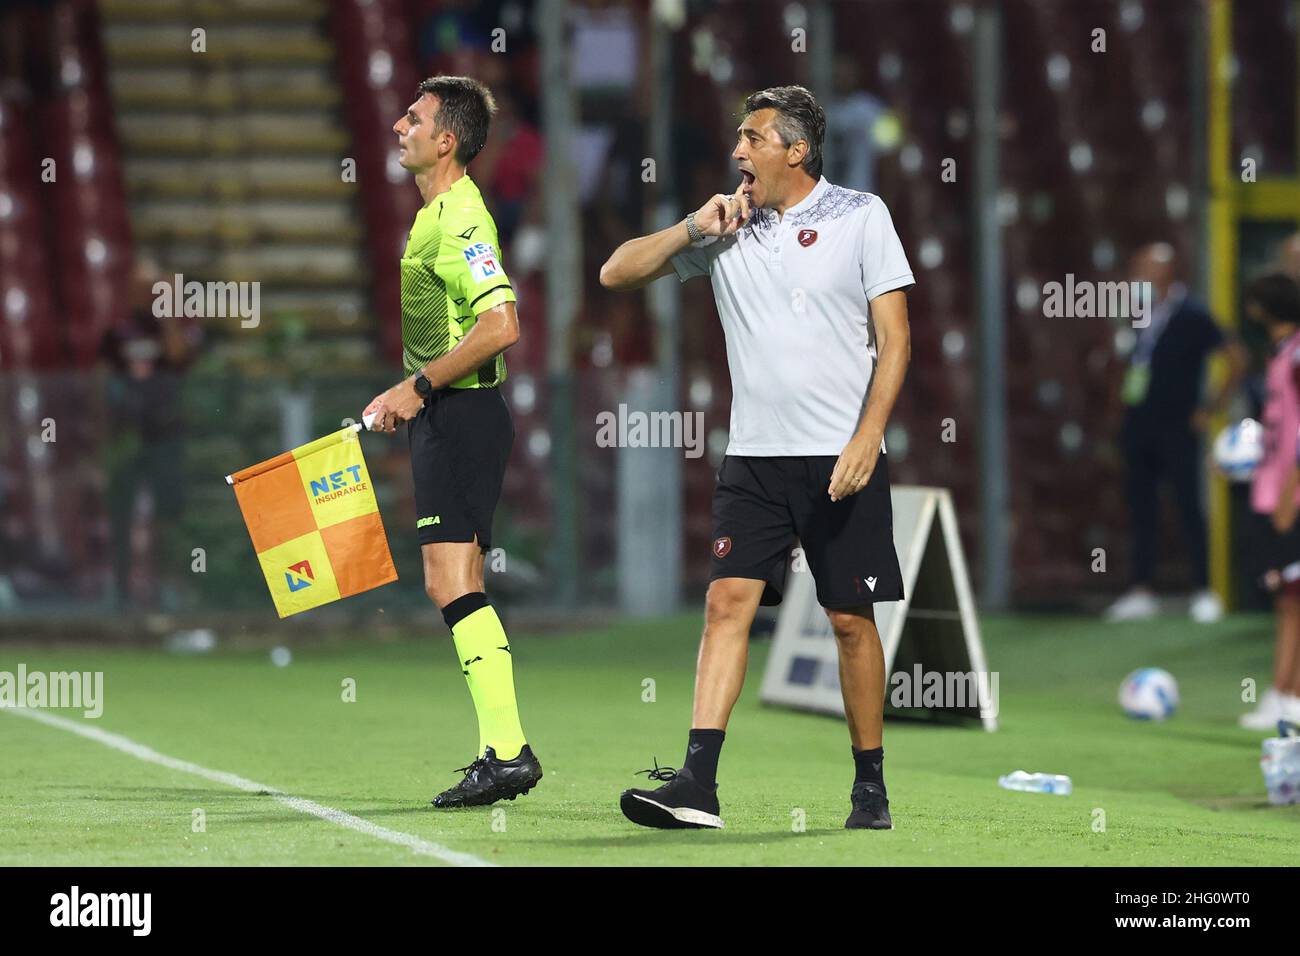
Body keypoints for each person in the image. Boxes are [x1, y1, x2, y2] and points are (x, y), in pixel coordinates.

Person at [600, 85, 913, 830]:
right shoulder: (722, 226)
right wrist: (688, 228)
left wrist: (868, 435)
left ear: (796, 150)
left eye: (753, 137)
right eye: (739, 137)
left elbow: (896, 339)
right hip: (754, 458)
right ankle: (697, 784)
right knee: (724, 604)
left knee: (848, 619)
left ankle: (869, 787)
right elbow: (615, 272)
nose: (738, 150)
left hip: (841, 457)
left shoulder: (861, 216)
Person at [364, 75, 542, 807]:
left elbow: (502, 326)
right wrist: (413, 394)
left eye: (415, 117)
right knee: (457, 580)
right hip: (452, 416)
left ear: (446, 140)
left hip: (461, 416)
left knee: (448, 582)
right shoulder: (438, 213)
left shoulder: (462, 218)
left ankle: (509, 751)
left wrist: (419, 387)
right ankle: (497, 752)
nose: (400, 123)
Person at [1105, 242, 1246, 623]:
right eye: (1139, 267)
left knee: (1188, 505)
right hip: (1139, 423)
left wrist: (1210, 408)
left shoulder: (1193, 314)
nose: (1141, 274)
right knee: (1141, 506)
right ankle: (1141, 589)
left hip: (1179, 425)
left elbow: (1235, 358)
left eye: (1149, 268)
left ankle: (1204, 589)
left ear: (1169, 272)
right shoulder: (1137, 313)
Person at [1237, 273, 1300, 729]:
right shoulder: (1278, 354)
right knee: (1283, 597)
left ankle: (1292, 695)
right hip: (1270, 487)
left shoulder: (1297, 355)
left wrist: (1289, 493)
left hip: (1290, 494)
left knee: (1295, 598)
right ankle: (1281, 692)